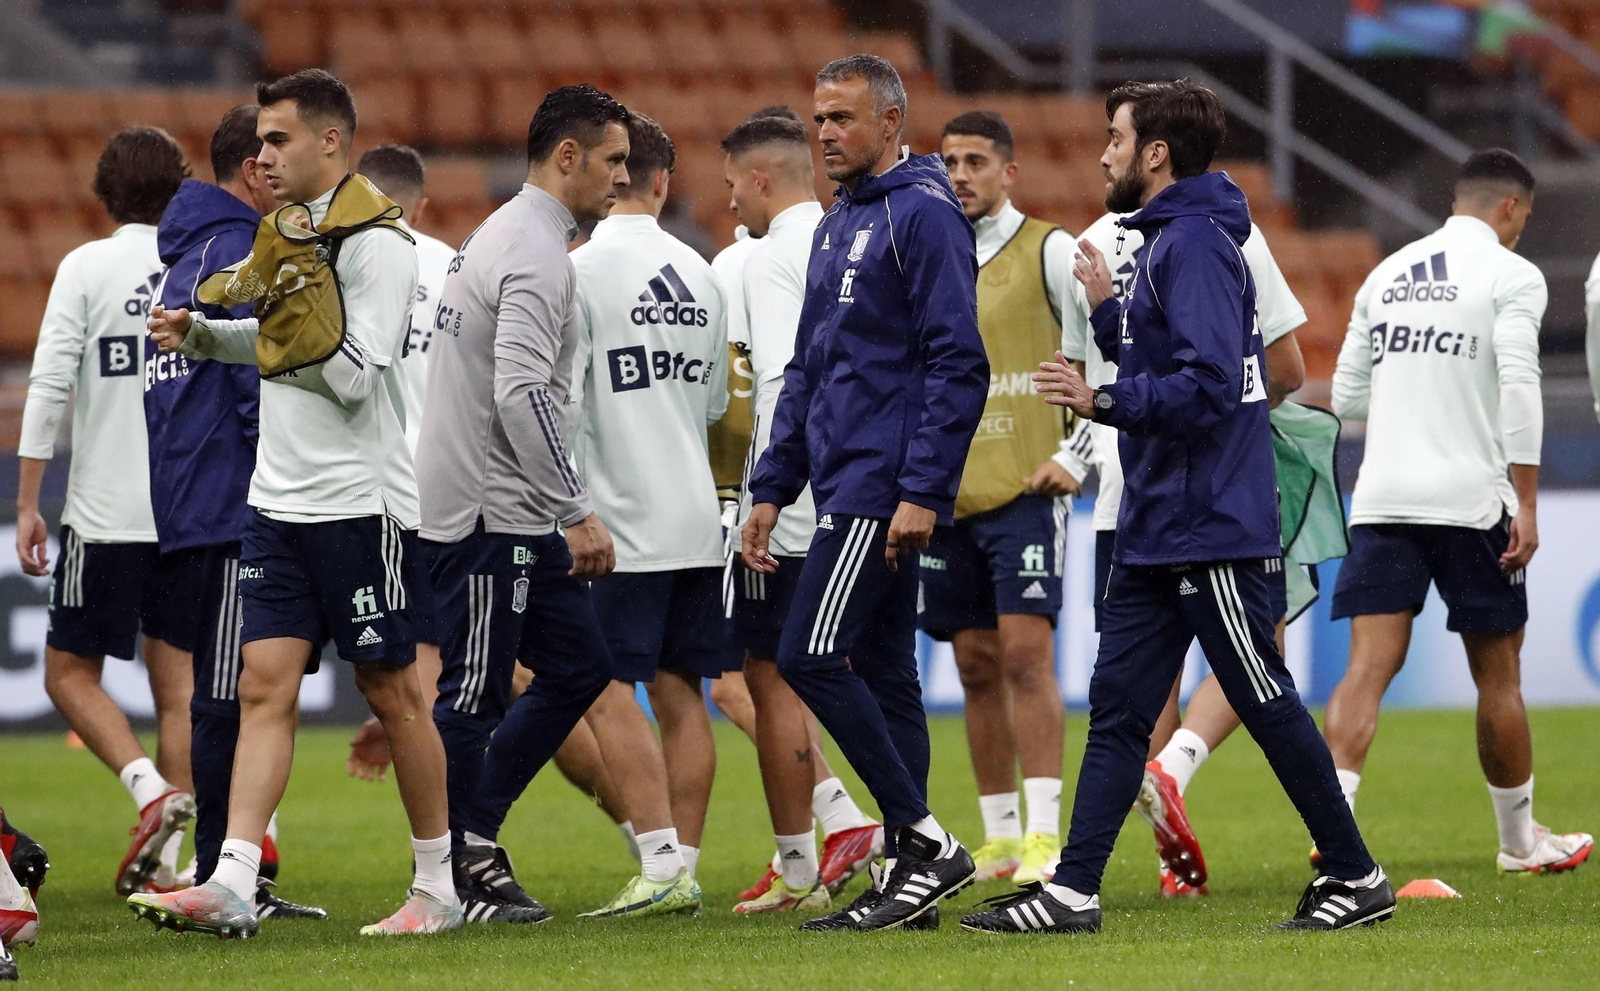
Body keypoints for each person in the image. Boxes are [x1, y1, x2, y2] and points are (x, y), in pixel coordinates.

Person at [968, 78, 1391, 935]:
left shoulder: (1192, 242)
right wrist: (1111, 316)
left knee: (1262, 694)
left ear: (1156, 153)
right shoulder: (1170, 241)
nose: (1102, 154)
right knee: (1120, 709)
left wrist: (1102, 402)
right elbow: (1202, 362)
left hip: (1206, 524)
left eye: (1116, 139)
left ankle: (1355, 873)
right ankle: (1072, 890)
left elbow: (1204, 388)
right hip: (1162, 523)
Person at [132, 68, 458, 938]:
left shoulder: (379, 245)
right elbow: (281, 340)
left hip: (361, 507)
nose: (261, 154)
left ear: (328, 143)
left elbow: (357, 372)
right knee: (260, 685)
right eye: (258, 141)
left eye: (277, 139)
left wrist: (272, 334)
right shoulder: (283, 233)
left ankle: (438, 885)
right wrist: (204, 333)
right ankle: (234, 876)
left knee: (394, 695)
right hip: (278, 500)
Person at [742, 54, 988, 933]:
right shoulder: (836, 223)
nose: (826, 133)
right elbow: (809, 368)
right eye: (818, 118)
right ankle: (907, 879)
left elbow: (961, 362)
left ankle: (923, 840)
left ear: (891, 122)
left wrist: (923, 488)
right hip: (842, 478)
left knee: (807, 655)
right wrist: (773, 483)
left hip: (883, 490)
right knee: (885, 674)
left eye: (842, 118)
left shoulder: (923, 217)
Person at [1326, 149, 1592, 875]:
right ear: (1511, 206)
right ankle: (1519, 842)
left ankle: (1336, 830)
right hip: (1473, 501)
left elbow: (1347, 398)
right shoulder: (1512, 275)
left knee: (1366, 670)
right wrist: (1527, 500)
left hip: (1383, 495)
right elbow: (1519, 383)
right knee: (1498, 677)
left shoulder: (1386, 273)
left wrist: (1415, 393)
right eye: (1525, 218)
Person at [416, 84, 632, 922]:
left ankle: (474, 831)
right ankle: (458, 875)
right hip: (486, 508)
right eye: (612, 159)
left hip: (505, 505)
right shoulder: (535, 250)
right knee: (473, 692)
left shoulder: (508, 231)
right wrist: (574, 505)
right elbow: (520, 390)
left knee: (580, 664)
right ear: (567, 156)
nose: (622, 175)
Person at [1062, 200, 1312, 898]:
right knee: (1264, 662)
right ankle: (1176, 769)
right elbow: (1285, 366)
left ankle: (1164, 868)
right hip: (1212, 497)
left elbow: (1089, 381)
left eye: (1116, 137)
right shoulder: (1230, 237)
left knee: (1137, 688)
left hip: (1122, 495)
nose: (1108, 153)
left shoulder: (1085, 247)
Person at [143, 104, 324, 920]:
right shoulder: (239, 251)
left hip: (191, 503)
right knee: (226, 695)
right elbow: (261, 385)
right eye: (276, 151)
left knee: (225, 689)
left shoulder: (183, 257)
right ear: (252, 169)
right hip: (235, 505)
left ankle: (226, 869)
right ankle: (223, 873)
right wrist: (278, 482)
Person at [14, 126, 195, 898]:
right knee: (180, 688)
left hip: (105, 513)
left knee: (67, 672)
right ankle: (179, 865)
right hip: (188, 514)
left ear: (105, 191)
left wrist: (27, 499)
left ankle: (148, 787)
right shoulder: (196, 265)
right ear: (180, 187)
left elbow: (50, 384)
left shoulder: (85, 266)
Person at [722, 111, 885, 914]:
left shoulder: (766, 257)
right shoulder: (841, 236)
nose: (728, 209)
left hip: (798, 496)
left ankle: (815, 854)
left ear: (759, 179)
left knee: (773, 670)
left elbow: (790, 380)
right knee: (840, 665)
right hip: (854, 483)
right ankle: (839, 836)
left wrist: (769, 494)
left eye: (730, 187)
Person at [568, 111, 728, 917]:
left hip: (614, 521)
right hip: (694, 515)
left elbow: (559, 407)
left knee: (600, 687)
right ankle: (684, 865)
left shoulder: (579, 271)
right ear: (663, 182)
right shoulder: (702, 271)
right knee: (680, 692)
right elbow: (711, 406)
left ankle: (660, 861)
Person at [929, 110, 1078, 885]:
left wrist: (1076, 454)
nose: (961, 175)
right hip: (949, 493)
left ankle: (1047, 836)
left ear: (1009, 172)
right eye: (950, 161)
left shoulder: (1049, 250)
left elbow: (1105, 354)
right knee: (975, 664)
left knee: (1026, 656)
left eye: (976, 161)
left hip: (1027, 485)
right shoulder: (932, 255)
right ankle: (1000, 837)